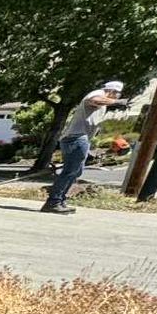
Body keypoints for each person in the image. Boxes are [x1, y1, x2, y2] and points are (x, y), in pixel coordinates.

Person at [42, 80, 125, 214]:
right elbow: (95, 100)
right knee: (70, 171)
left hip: (79, 138)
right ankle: (53, 201)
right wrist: (117, 102)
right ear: (112, 91)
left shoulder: (103, 106)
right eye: (117, 94)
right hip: (76, 138)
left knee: (75, 171)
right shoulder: (98, 93)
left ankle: (59, 200)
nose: (117, 97)